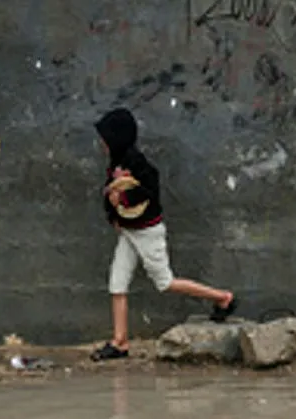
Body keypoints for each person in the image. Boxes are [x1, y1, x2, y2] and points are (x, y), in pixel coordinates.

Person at [90, 107, 238, 361]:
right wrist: (113, 216)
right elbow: (110, 191)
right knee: (117, 282)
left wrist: (123, 199)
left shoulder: (135, 161)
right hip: (130, 232)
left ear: (117, 137)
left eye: (105, 137)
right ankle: (120, 342)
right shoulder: (116, 161)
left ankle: (223, 297)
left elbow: (148, 188)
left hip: (147, 233)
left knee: (165, 282)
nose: (101, 142)